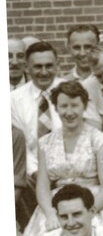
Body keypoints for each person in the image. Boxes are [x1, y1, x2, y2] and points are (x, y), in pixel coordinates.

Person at [21, 81, 103, 236]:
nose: (69, 112)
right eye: (63, 106)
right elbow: (42, 186)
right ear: (56, 108)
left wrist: (88, 211)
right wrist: (50, 213)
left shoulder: (100, 140)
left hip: (92, 203)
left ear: (84, 106)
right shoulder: (46, 142)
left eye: (75, 105)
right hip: (56, 204)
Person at [11, 41, 65, 183]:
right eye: (37, 67)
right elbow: (22, 147)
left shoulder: (71, 90)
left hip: (70, 170)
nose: (44, 72)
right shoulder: (14, 100)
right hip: (32, 174)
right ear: (26, 68)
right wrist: (36, 173)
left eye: (49, 66)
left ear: (57, 65)